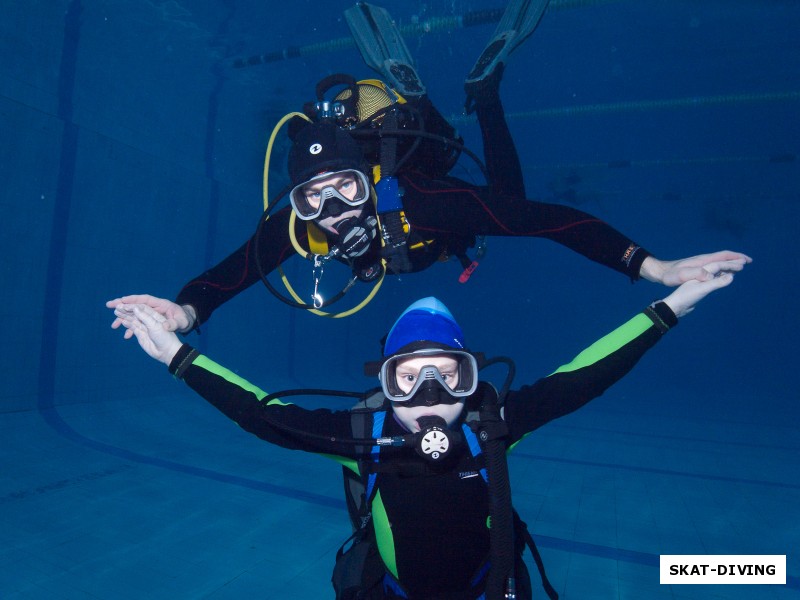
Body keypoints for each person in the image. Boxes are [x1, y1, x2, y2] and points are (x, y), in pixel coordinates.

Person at [106, 0, 751, 329]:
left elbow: (549, 221)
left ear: (368, 180)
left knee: (508, 197)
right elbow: (229, 276)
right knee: (494, 190)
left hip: (427, 182)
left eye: (346, 189)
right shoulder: (298, 231)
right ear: (295, 204)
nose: (334, 213)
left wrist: (652, 266)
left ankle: (470, 96)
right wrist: (185, 312)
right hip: (417, 202)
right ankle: (454, 95)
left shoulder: (421, 202)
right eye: (314, 201)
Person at [110, 265, 737, 599]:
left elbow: (585, 375)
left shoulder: (493, 426)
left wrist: (672, 304)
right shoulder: (364, 436)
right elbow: (264, 415)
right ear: (386, 385)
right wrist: (174, 355)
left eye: (448, 376)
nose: (430, 397)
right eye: (409, 380)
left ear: (472, 379)